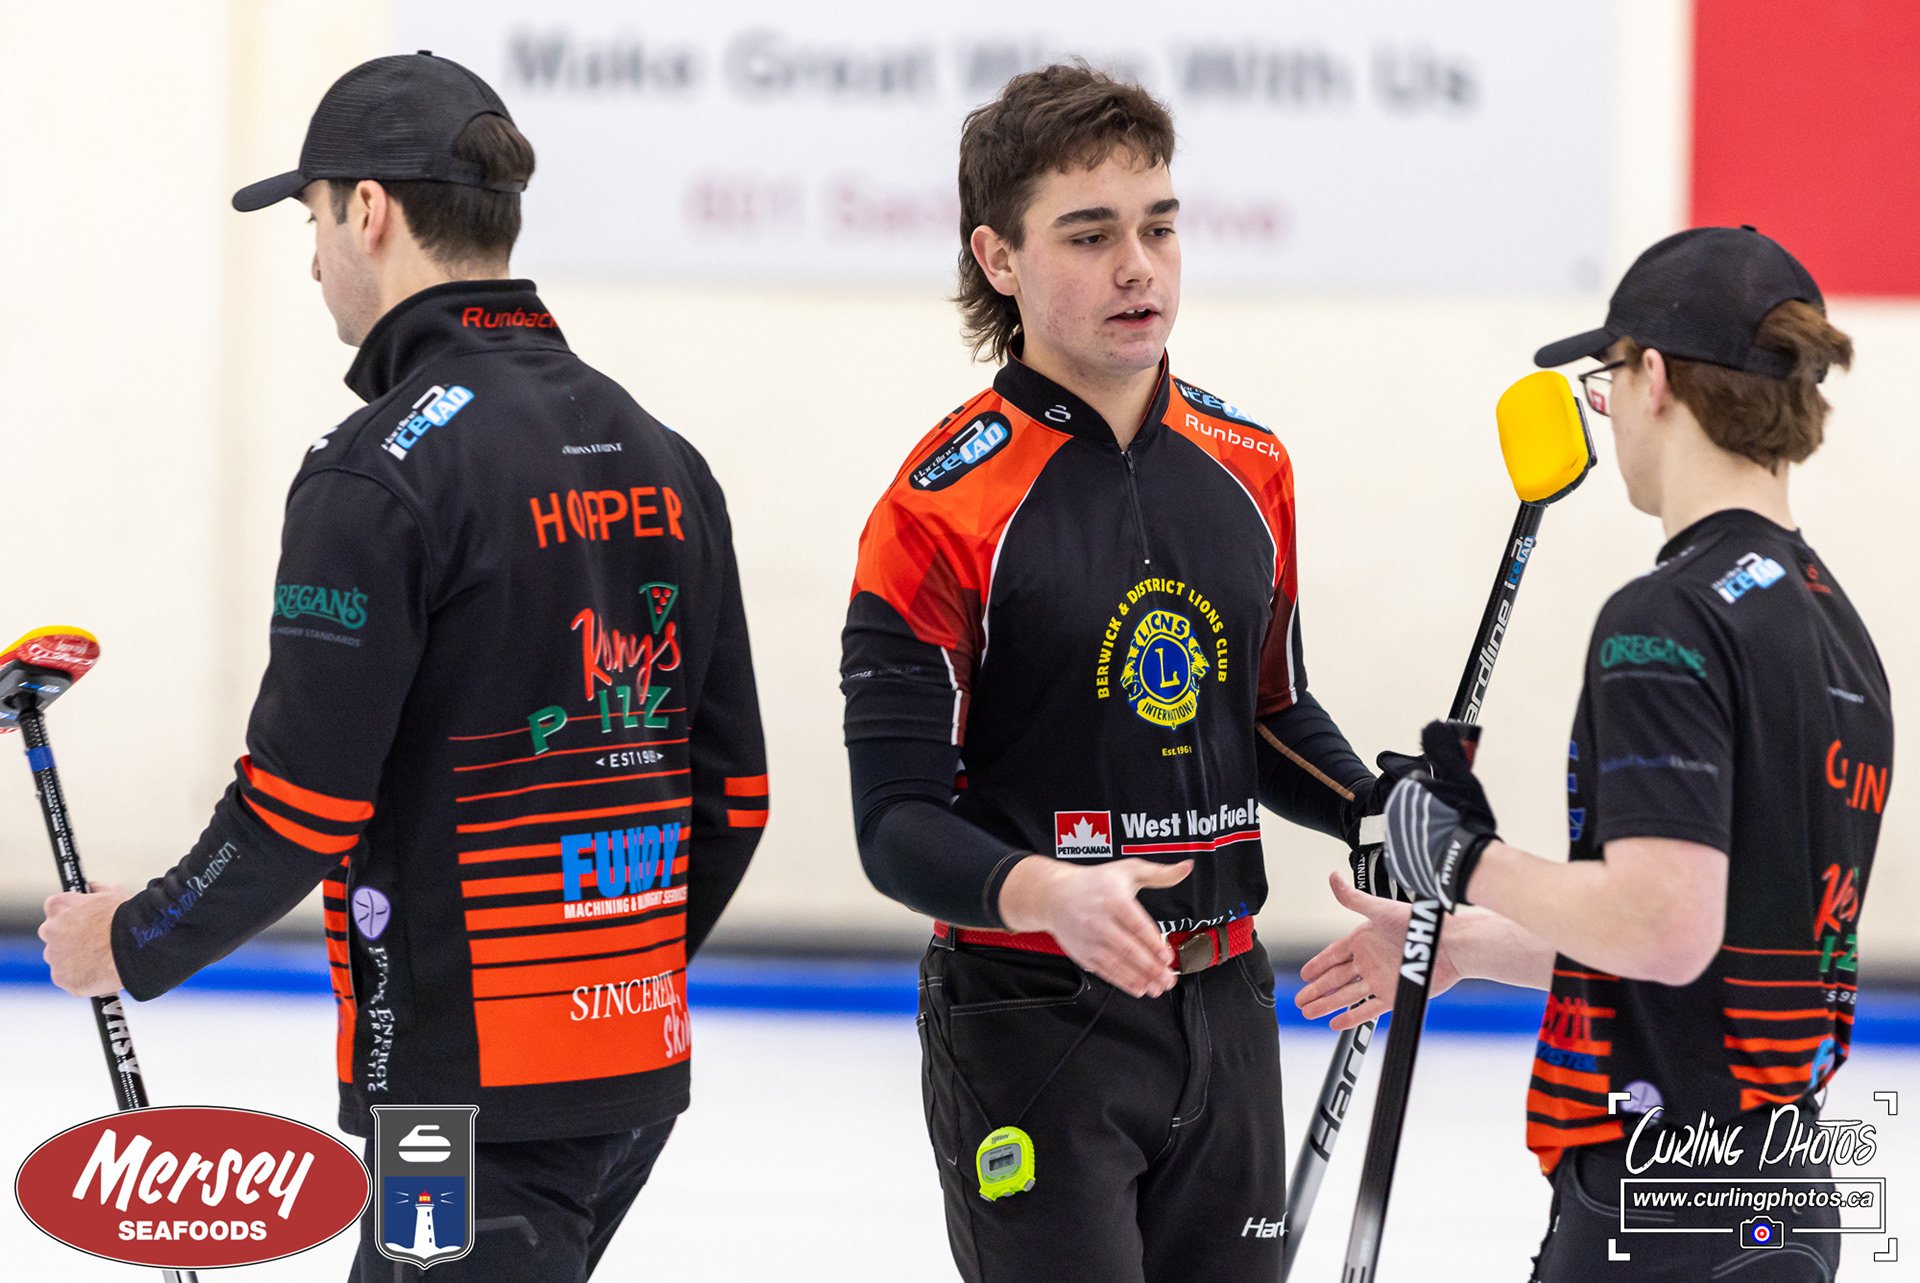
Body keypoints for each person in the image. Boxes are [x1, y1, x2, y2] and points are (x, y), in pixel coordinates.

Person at [37, 52, 768, 1281]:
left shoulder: (374, 471)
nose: (314, 256)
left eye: (314, 218)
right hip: (632, 1077)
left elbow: (299, 807)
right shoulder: (663, 450)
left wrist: (136, 935)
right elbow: (734, 794)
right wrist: (607, 978)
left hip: (459, 1103)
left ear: (368, 210)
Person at [840, 64, 1394, 1282]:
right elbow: (893, 821)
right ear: (998, 257)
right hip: (1032, 1021)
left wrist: (1380, 810)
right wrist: (1045, 890)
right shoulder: (934, 512)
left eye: (1159, 227)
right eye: (1090, 236)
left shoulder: (1252, 466)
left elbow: (1267, 713)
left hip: (1229, 1005)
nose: (1138, 267)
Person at [1297, 226, 1890, 1281]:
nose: (1606, 408)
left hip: (1653, 1210)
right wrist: (1469, 944)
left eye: (1607, 377)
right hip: (1786, 1203)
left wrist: (1466, 855)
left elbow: (1661, 926)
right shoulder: (1837, 627)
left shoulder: (1667, 617)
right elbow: (1710, 948)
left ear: (1654, 377)